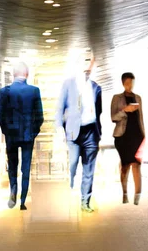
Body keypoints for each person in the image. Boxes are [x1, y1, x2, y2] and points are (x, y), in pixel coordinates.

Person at [56, 54, 102, 213]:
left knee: (89, 168)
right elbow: (60, 107)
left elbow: (99, 112)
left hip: (91, 133)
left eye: (90, 63)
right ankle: (68, 185)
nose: (87, 67)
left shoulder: (96, 87)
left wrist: (99, 134)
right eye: (85, 63)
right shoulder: (68, 84)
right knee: (73, 162)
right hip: (74, 133)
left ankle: (85, 201)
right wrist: (59, 130)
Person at [0, 62, 44, 210]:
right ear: (27, 74)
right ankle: (23, 200)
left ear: (13, 74)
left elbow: (0, 115)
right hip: (27, 135)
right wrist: (33, 132)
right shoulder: (34, 91)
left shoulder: (5, 92)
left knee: (12, 165)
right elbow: (40, 116)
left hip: (11, 134)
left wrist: (6, 131)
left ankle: (13, 191)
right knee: (25, 167)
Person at [111, 72, 145, 205]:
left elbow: (140, 118)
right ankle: (125, 193)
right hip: (122, 136)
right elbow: (113, 117)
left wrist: (144, 134)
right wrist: (125, 110)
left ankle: (137, 195)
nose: (129, 85)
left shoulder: (138, 98)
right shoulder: (117, 98)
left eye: (131, 82)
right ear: (123, 83)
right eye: (127, 83)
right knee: (125, 166)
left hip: (137, 135)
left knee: (137, 165)